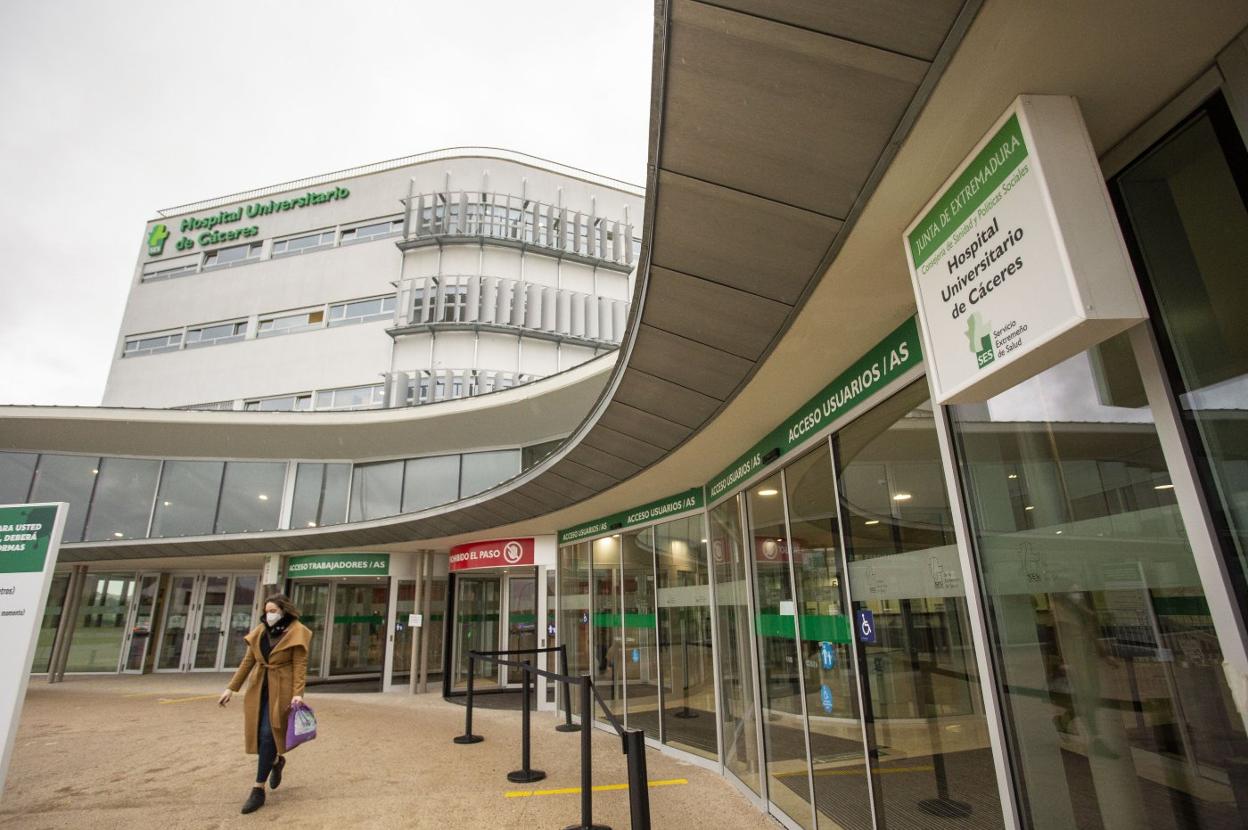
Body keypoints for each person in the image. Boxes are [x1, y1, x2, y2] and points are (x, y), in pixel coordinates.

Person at [218, 593, 313, 814]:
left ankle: (257, 788)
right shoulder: (260, 631)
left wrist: (298, 693)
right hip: (259, 687)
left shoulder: (297, 631)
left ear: (283, 611)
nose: (268, 615)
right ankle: (276, 762)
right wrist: (231, 687)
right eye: (266, 611)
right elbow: (248, 661)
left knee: (269, 733)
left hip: (282, 688)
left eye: (273, 611)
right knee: (259, 734)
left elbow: (300, 664)